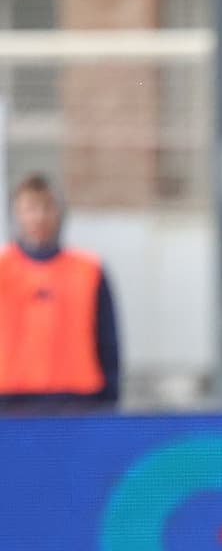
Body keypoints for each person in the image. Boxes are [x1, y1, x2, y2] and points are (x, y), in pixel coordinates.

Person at [0, 173, 120, 413]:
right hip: (10, 404)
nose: (39, 217)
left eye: (47, 207)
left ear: (60, 213)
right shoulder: (3, 269)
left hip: (78, 402)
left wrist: (110, 400)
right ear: (16, 215)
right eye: (30, 209)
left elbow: (108, 340)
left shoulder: (89, 270)